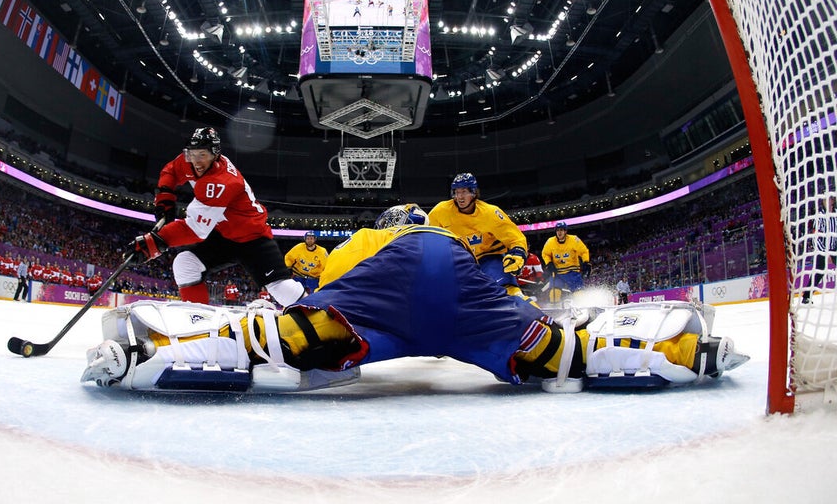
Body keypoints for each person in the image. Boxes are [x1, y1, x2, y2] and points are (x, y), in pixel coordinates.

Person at [84, 203, 747, 393]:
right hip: (457, 296)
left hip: (384, 301)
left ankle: (150, 341)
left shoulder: (372, 237)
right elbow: (498, 274)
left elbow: (331, 288)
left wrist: (303, 315)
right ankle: (681, 344)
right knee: (555, 348)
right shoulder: (447, 234)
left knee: (289, 337)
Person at [139, 126, 304, 306]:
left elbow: (195, 229)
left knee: (281, 289)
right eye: (192, 154)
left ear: (215, 154)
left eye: (202, 155)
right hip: (223, 235)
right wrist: (165, 198)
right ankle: (198, 321)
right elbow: (171, 171)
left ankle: (317, 312)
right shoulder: (191, 161)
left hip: (253, 238)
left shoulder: (221, 182)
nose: (197, 161)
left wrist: (153, 243)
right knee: (185, 264)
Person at [428, 172, 528, 294]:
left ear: (474, 192)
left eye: (464, 191)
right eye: (457, 192)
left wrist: (517, 254)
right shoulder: (440, 211)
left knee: (509, 291)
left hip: (489, 259)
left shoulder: (491, 213)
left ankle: (530, 311)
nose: (460, 196)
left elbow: (515, 238)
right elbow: (427, 236)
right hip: (459, 263)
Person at [540, 221, 591, 305]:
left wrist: (586, 262)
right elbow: (545, 254)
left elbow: (584, 251)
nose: (559, 232)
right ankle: (556, 310)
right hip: (557, 273)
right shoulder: (550, 241)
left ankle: (583, 308)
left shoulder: (574, 239)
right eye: (558, 230)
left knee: (579, 296)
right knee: (554, 295)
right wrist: (549, 263)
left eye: (561, 230)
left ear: (565, 231)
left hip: (572, 272)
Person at [804, 195, 837, 304]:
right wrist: (825, 252)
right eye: (824, 200)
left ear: (832, 201)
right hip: (822, 248)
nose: (826, 201)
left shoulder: (835, 214)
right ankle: (806, 296)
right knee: (819, 271)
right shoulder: (820, 216)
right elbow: (815, 237)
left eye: (829, 199)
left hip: (835, 246)